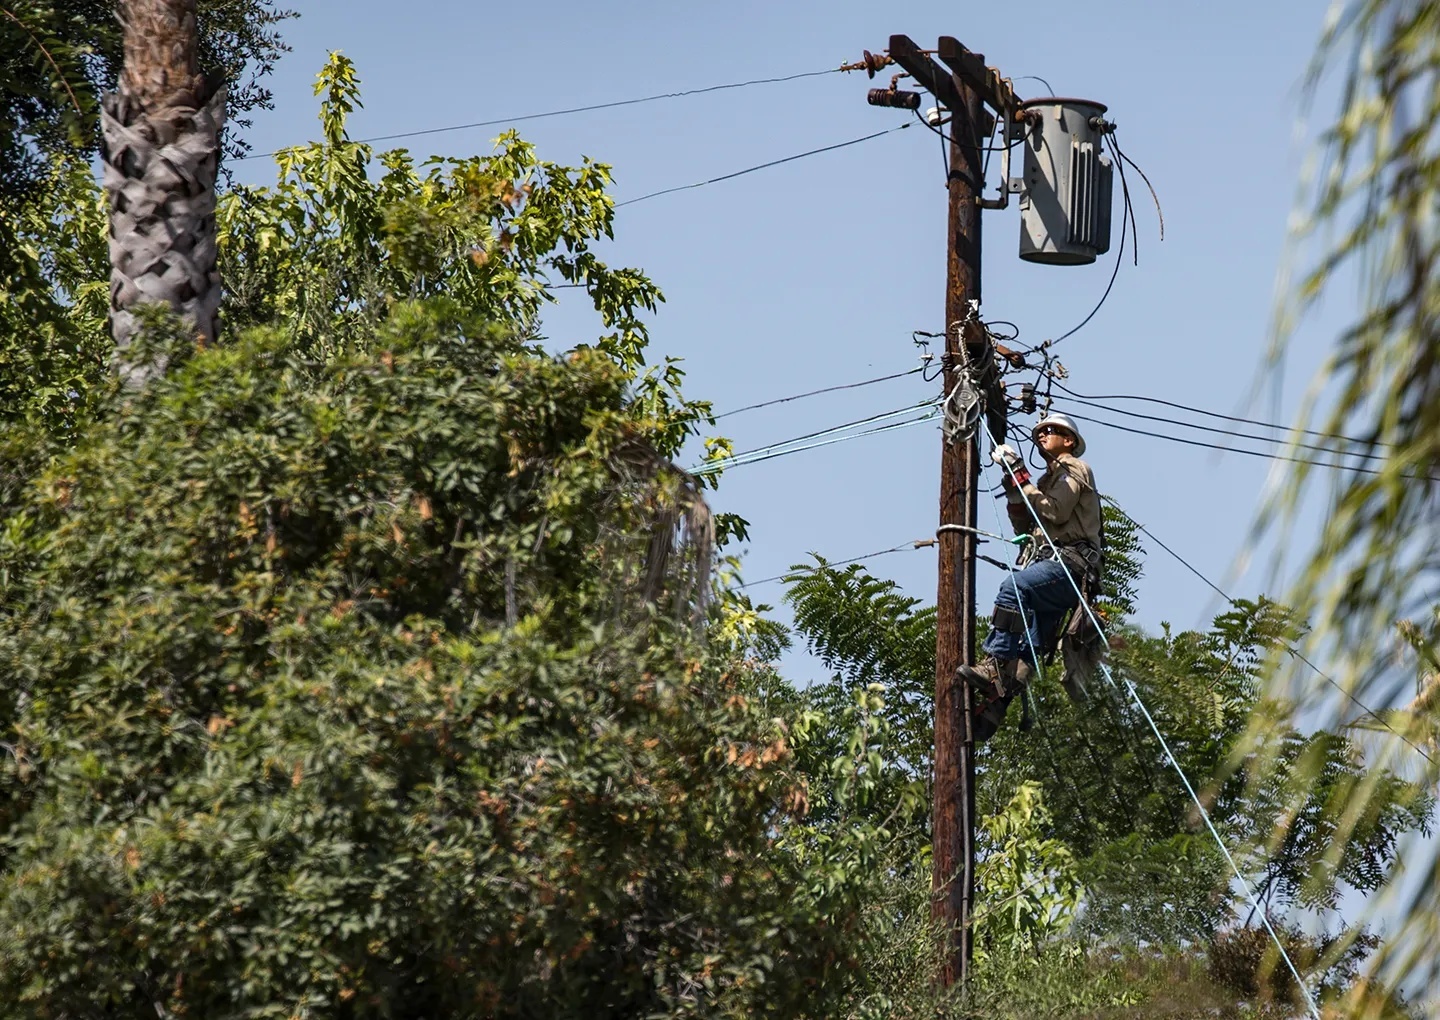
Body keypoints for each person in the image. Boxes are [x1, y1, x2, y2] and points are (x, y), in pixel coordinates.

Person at [962, 412, 1102, 742]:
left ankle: (994, 665)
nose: (1042, 434)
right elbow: (1024, 528)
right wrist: (1014, 485)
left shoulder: (1075, 469)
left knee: (1014, 588)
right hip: (1053, 566)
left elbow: (1055, 511)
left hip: (1072, 566)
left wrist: (1020, 473)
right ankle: (994, 707)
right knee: (1029, 644)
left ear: (1069, 441)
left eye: (1051, 431)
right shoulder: (1045, 481)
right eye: (1040, 431)